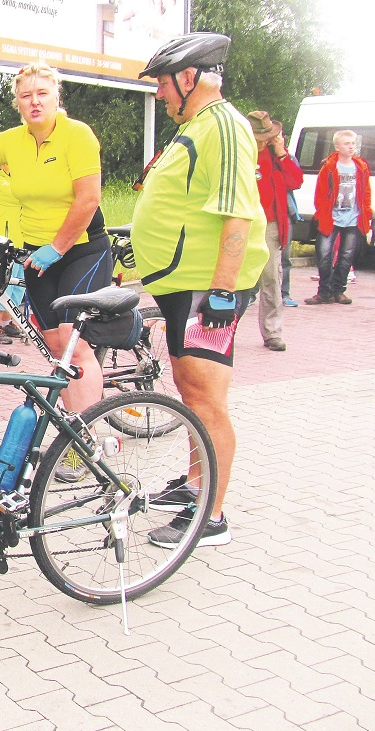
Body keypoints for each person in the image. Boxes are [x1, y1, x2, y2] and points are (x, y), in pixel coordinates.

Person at [130, 32, 269, 548]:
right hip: (182, 286)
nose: (160, 94)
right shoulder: (197, 124)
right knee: (191, 392)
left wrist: (224, 292)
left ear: (189, 79)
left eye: (163, 85)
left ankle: (210, 517)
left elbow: (238, 213)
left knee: (205, 399)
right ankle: (195, 484)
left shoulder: (226, 126)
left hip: (206, 290)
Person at [0, 62, 111, 415]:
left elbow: (88, 199)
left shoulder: (77, 135)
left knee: (73, 346)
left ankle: (86, 438)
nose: (35, 102)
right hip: (36, 255)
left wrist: (58, 247)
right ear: (17, 103)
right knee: (55, 349)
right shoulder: (11, 142)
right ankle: (74, 426)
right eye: (26, 96)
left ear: (56, 96)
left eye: (42, 94)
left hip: (81, 250)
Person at [248, 111, 303, 351]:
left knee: (271, 279)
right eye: (259, 136)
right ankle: (222, 330)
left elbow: (296, 181)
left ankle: (272, 332)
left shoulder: (277, 155)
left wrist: (281, 151)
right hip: (242, 221)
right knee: (234, 279)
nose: (263, 140)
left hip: (270, 224)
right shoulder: (240, 153)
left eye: (267, 136)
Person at [306, 130, 371, 305]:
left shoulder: (361, 166)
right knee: (324, 255)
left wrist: (366, 214)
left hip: (353, 218)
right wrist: (322, 213)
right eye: (347, 143)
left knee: (346, 257)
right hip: (331, 218)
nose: (351, 147)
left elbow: (365, 192)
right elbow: (320, 193)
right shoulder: (329, 166)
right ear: (337, 146)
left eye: (353, 143)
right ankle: (324, 292)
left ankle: (339, 291)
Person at [0, 165, 27, 344]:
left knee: (18, 284)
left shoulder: (20, 173)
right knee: (3, 283)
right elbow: (17, 195)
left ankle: (7, 321)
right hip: (2, 237)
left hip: (22, 236)